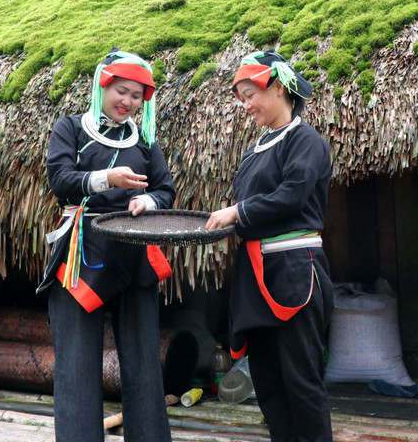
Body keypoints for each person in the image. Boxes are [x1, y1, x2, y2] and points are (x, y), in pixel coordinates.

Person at [36, 48, 175, 442]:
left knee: (144, 362)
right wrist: (106, 179)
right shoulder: (71, 128)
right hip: (82, 253)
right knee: (77, 365)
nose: (127, 102)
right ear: (103, 85)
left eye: (136, 96)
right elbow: (61, 179)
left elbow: (164, 188)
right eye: (122, 91)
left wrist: (148, 201)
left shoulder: (145, 140)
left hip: (134, 253)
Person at [205, 49, 334, 442]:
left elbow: (292, 196)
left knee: (301, 380)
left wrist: (236, 211)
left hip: (293, 270)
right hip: (255, 276)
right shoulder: (256, 149)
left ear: (278, 88)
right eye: (241, 97)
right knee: (268, 383)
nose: (245, 105)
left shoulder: (306, 140)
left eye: (250, 95)